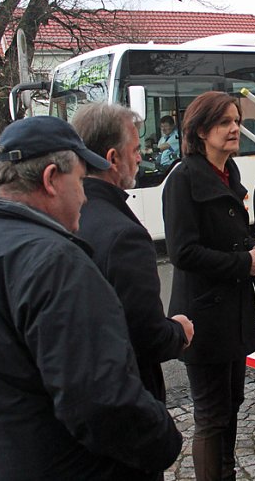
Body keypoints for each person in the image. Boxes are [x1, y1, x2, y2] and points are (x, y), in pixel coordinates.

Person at [0, 116, 183, 480]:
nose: (84, 197)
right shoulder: (55, 263)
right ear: (51, 179)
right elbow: (103, 401)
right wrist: (164, 440)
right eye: (80, 181)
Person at [163, 92, 255, 481]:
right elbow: (182, 252)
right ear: (200, 131)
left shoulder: (229, 172)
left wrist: (254, 246)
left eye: (237, 121)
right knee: (211, 414)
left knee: (232, 402)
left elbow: (232, 232)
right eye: (225, 122)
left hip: (234, 310)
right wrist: (242, 262)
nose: (235, 129)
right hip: (204, 317)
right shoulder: (183, 180)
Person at [73, 103, 195, 409]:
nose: (140, 158)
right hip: (125, 394)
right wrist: (179, 331)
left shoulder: (67, 213)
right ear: (113, 158)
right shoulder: (124, 236)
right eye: (136, 149)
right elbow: (146, 335)